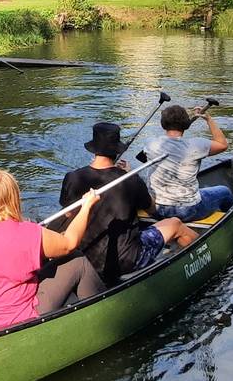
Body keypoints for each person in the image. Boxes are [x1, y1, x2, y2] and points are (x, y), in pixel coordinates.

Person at [0, 170, 105, 335]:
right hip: (17, 318)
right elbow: (69, 243)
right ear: (15, 199)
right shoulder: (29, 232)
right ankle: (103, 314)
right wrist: (86, 206)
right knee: (77, 261)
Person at [59, 122, 197, 285]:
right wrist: (130, 174)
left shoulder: (73, 177)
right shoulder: (131, 180)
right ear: (116, 150)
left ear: (94, 150)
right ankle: (198, 261)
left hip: (86, 258)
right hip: (128, 261)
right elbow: (151, 209)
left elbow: (68, 214)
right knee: (175, 224)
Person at [147, 104, 233, 222]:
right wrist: (209, 119)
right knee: (224, 191)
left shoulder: (151, 144)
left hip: (158, 209)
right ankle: (232, 221)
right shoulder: (196, 145)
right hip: (187, 210)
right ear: (186, 125)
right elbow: (223, 144)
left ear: (163, 124)